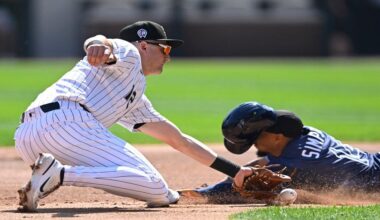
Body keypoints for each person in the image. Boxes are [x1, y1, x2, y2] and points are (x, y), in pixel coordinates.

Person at [14, 21, 253, 211]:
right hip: (66, 123)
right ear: (144, 45)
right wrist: (97, 44)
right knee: (157, 187)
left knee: (162, 193)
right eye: (165, 48)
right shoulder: (130, 53)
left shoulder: (134, 95)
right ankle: (59, 174)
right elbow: (105, 43)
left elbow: (179, 140)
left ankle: (48, 176)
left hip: (29, 137)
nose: (168, 56)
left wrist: (236, 172)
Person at [191, 101, 380, 202]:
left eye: (256, 138)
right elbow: (261, 163)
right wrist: (232, 176)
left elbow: (246, 186)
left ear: (276, 136)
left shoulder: (293, 162)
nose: (254, 144)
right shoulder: (305, 134)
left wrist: (205, 193)